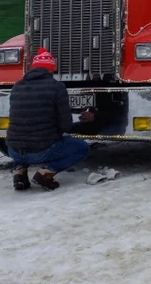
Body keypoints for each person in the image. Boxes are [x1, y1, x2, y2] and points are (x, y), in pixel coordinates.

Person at [6, 48, 92, 191]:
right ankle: (45, 173)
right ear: (51, 70)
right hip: (41, 151)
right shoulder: (57, 87)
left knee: (22, 138)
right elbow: (66, 125)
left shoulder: (17, 86)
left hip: (13, 150)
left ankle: (19, 171)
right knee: (82, 148)